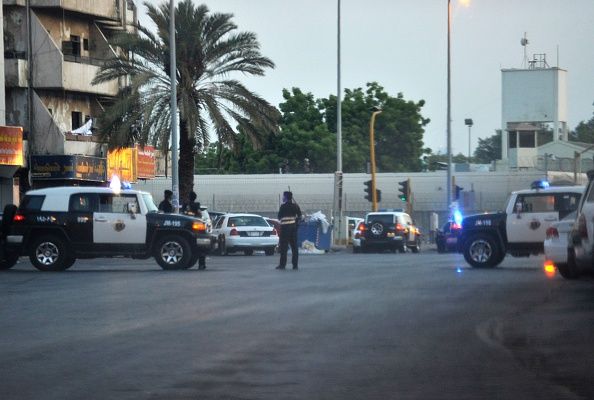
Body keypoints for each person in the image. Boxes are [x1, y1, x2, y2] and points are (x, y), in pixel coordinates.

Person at [276, 191, 302, 270]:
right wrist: (296, 224)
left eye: (284, 196)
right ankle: (295, 265)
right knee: (294, 248)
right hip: (293, 229)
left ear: (286, 197)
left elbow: (279, 217)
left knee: (284, 247)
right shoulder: (296, 206)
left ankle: (282, 265)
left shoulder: (283, 207)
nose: (283, 198)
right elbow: (300, 216)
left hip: (285, 229)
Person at [182, 191, 206, 270]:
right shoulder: (196, 205)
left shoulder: (185, 205)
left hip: (185, 228)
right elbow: (199, 214)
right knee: (200, 248)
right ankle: (201, 264)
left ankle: (184, 263)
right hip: (196, 229)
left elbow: (182, 214)